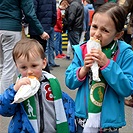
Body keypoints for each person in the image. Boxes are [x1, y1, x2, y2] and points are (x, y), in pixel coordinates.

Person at [65, 2, 133, 133]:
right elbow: (69, 81)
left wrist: (107, 65)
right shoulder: (82, 50)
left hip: (109, 124)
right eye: (94, 27)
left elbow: (127, 88)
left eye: (105, 30)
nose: (97, 34)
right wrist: (83, 69)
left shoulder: (125, 54)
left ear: (117, 35)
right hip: (83, 119)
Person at [0, 38, 75, 133]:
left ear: (43, 63)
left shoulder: (52, 85)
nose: (29, 71)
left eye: (34, 66)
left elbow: (68, 108)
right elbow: (4, 110)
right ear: (17, 67)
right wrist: (13, 90)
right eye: (23, 67)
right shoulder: (18, 89)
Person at [0, 0, 49, 93]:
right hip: (11, 28)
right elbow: (29, 12)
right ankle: (4, 100)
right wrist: (41, 32)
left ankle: (2, 97)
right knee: (9, 68)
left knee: (1, 66)